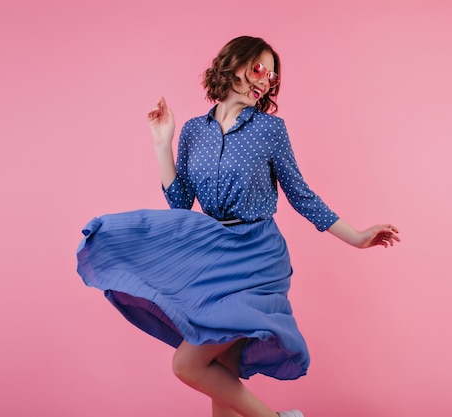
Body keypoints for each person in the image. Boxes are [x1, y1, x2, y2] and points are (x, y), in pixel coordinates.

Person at [77, 35, 400, 417]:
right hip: (214, 257)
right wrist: (163, 144)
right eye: (260, 69)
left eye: (272, 77)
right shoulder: (196, 130)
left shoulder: (270, 130)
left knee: (188, 364)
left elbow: (301, 195)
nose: (265, 82)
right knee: (223, 380)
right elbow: (181, 203)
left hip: (256, 256)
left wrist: (357, 238)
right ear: (233, 63)